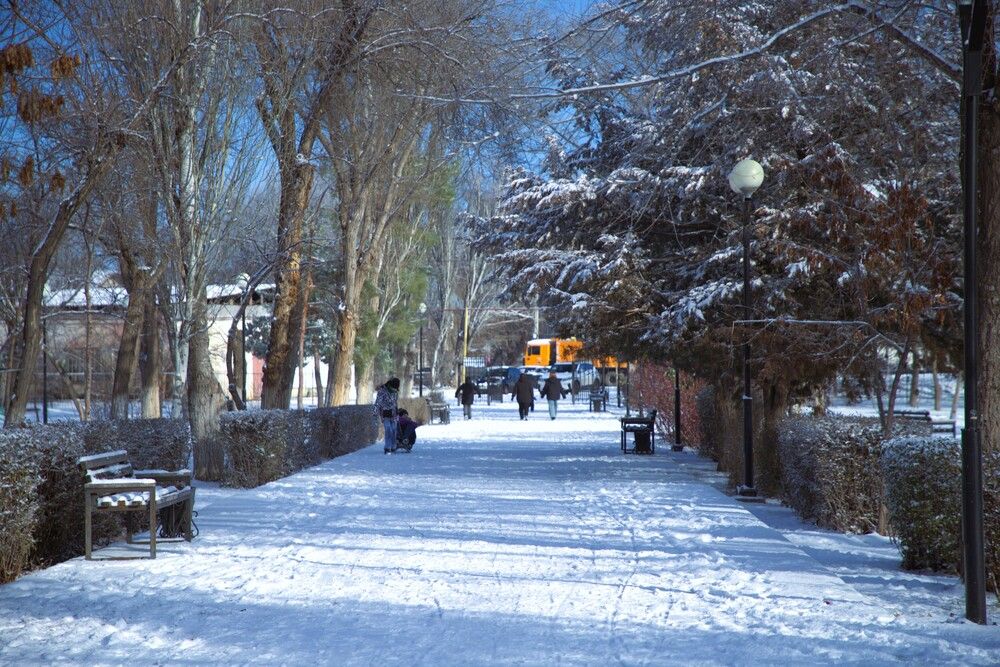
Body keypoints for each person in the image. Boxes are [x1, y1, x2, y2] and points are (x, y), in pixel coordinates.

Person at [373, 377, 400, 453]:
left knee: (394, 430)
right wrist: (375, 413)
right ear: (391, 385)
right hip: (385, 413)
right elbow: (378, 402)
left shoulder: (395, 392)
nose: (396, 389)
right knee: (388, 429)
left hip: (394, 414)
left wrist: (397, 411)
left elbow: (395, 402)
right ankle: (387, 447)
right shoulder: (382, 391)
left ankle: (393, 446)